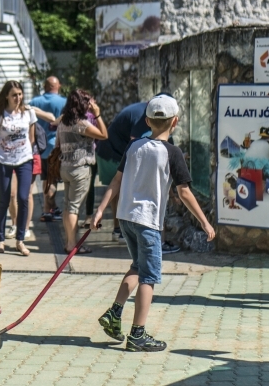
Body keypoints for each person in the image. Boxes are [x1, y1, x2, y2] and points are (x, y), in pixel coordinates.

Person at [93, 95, 215, 351]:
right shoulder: (172, 153)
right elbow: (184, 193)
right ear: (176, 122)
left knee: (137, 267)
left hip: (126, 217)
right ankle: (138, 334)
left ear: (147, 120)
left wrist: (100, 211)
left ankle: (115, 313)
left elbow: (115, 181)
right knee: (148, 277)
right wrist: (205, 221)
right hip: (148, 222)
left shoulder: (134, 146)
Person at [0, 80, 37, 257]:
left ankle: (20, 240)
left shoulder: (28, 112)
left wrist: (24, 152)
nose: (18, 98)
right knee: (4, 199)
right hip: (3, 160)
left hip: (24, 159)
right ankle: (1, 241)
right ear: (7, 96)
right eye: (14, 95)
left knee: (23, 197)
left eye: (20, 94)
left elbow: (31, 138)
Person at [54, 90, 108, 253]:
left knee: (68, 206)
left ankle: (69, 241)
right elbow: (104, 135)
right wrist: (97, 115)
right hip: (80, 169)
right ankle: (72, 245)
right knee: (74, 208)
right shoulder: (81, 124)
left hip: (65, 167)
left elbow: (57, 144)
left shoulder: (63, 121)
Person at [95, 100, 153, 242]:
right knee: (122, 189)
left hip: (108, 152)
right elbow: (135, 142)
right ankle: (121, 231)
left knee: (118, 191)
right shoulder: (143, 114)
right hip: (113, 154)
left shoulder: (141, 109)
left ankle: (118, 229)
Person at [30, 77, 67, 219]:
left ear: (45, 86)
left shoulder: (34, 102)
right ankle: (49, 210)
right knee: (52, 180)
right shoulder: (64, 102)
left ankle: (48, 209)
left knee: (46, 179)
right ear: (58, 86)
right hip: (55, 145)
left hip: (38, 146)